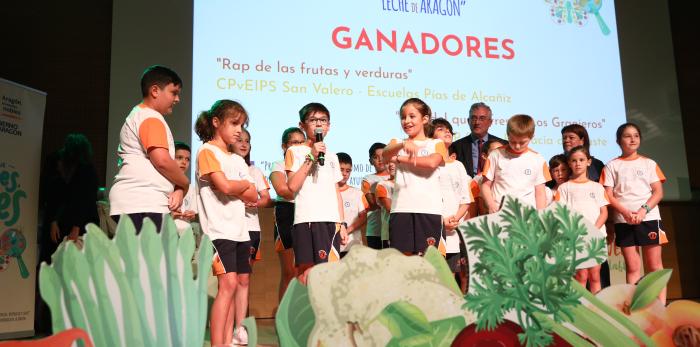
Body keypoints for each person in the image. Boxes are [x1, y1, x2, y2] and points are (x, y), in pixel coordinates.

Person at [194, 99, 258, 346]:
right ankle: (217, 343)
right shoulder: (208, 151)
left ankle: (228, 339)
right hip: (218, 230)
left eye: (241, 125)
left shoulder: (237, 160)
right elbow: (224, 186)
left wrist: (240, 188)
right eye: (234, 123)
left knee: (233, 287)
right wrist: (242, 186)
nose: (238, 130)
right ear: (216, 122)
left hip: (240, 231)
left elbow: (254, 195)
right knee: (227, 285)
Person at [109, 65, 189, 232]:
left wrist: (179, 189)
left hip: (139, 203)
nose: (177, 99)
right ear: (155, 91)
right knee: (151, 258)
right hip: (141, 202)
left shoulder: (141, 114)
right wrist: (185, 184)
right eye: (173, 93)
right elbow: (162, 161)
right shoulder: (150, 117)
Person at [601, 123, 667, 302]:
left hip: (650, 218)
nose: (632, 139)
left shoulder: (649, 163)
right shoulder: (611, 166)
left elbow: (658, 192)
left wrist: (642, 211)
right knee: (632, 267)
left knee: (654, 266)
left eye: (636, 135)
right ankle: (636, 308)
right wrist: (626, 213)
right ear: (618, 140)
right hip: (624, 220)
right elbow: (608, 194)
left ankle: (661, 306)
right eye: (627, 136)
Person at [285, 102, 348, 284]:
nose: (318, 124)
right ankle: (307, 313)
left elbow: (336, 192)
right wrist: (311, 156)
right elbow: (292, 186)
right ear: (302, 125)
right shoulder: (294, 151)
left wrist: (342, 223)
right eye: (313, 120)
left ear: (329, 126)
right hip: (306, 219)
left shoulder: (333, 157)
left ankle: (324, 312)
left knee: (330, 273)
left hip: (331, 221)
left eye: (323, 120)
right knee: (307, 274)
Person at [382, 98, 447, 256]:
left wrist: (401, 159)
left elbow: (432, 162)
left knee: (430, 261)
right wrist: (402, 146)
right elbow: (385, 155)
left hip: (429, 210)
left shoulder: (435, 143)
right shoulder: (397, 142)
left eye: (412, 116)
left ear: (424, 119)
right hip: (401, 209)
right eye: (403, 117)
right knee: (403, 262)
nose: (407, 121)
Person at [559, 124, 611, 288]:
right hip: (575, 236)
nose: (578, 164)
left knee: (596, 276)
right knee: (580, 276)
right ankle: (580, 311)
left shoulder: (597, 185)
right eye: (573, 161)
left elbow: (604, 212)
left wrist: (594, 229)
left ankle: (597, 311)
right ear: (569, 163)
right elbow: (560, 212)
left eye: (571, 137)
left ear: (588, 161)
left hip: (596, 235)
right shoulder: (564, 187)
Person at [431, 118, 473, 287]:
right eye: (441, 129)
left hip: (454, 230)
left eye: (449, 129)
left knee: (450, 279)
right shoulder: (429, 164)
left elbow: (466, 199)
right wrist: (441, 221)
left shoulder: (458, 166)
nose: (447, 131)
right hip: (433, 227)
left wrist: (455, 219)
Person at [482, 114, 551, 212]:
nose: (517, 146)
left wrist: (541, 216)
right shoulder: (495, 155)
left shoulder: (538, 159)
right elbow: (485, 185)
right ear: (508, 135)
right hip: (499, 212)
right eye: (513, 141)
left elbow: (540, 192)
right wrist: (491, 204)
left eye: (522, 142)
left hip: (527, 215)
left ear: (532, 137)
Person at [269, 127, 305, 300]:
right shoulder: (279, 165)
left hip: (306, 213)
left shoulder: (308, 164)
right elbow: (283, 190)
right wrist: (301, 192)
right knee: (289, 271)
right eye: (294, 143)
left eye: (301, 142)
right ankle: (282, 320)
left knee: (303, 270)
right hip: (287, 214)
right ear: (284, 146)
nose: (298, 146)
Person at [232, 129, 273, 266]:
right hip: (228, 226)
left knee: (244, 277)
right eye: (239, 140)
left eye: (247, 141)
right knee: (228, 277)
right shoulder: (223, 168)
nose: (244, 144)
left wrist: (255, 203)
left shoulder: (254, 170)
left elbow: (266, 198)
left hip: (251, 227)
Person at [50, 133, 100, 243]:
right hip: (81, 223)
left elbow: (83, 200)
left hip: (80, 224)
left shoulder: (83, 171)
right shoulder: (83, 170)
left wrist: (76, 227)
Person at [451, 102, 507, 177]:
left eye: (482, 118)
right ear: (468, 121)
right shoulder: (456, 146)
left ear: (490, 122)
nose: (477, 122)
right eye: (473, 118)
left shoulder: (504, 145)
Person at [361, 143, 389, 250]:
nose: (380, 160)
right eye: (376, 157)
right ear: (371, 161)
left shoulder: (396, 176)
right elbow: (373, 204)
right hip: (374, 230)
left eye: (383, 156)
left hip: (391, 228)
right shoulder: (368, 179)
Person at [471, 138, 503, 217]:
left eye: (502, 151)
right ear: (484, 156)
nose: (500, 155)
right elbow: (474, 210)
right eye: (495, 151)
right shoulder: (476, 180)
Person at [172, 141, 198, 235]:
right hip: (167, 233)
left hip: (185, 234)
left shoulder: (191, 188)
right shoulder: (164, 185)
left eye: (187, 159)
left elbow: (193, 213)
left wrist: (191, 214)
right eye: (179, 158)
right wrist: (170, 215)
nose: (184, 162)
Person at [375, 162, 396, 250]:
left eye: (394, 162)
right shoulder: (382, 184)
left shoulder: (411, 185)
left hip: (410, 233)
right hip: (390, 234)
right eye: (387, 162)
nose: (391, 165)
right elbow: (390, 209)